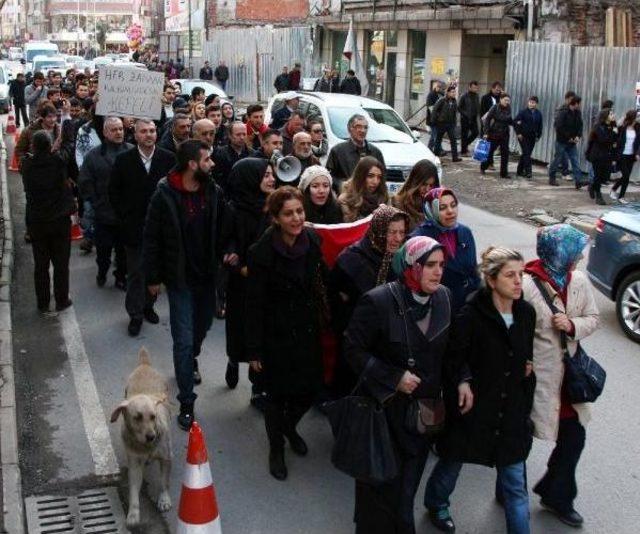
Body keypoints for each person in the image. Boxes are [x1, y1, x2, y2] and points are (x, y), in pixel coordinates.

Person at [343, 236, 453, 534]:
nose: (438, 272)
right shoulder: (377, 301)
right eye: (430, 265)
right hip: (382, 419)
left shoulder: (444, 298)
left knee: (405, 498)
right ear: (410, 266)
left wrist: (465, 380)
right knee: (376, 500)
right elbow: (352, 350)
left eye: (441, 265)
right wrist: (393, 377)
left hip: (421, 421)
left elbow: (452, 352)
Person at [424, 246, 536, 534]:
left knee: (515, 484)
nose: (517, 282)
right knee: (453, 462)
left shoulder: (525, 313)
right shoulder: (471, 315)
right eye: (510, 275)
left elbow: (525, 354)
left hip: (510, 411)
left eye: (520, 275)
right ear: (491, 279)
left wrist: (527, 368)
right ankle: (436, 503)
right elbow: (453, 359)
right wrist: (462, 381)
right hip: (475, 409)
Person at [143, 140, 231, 431]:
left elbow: (225, 228)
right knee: (182, 340)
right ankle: (186, 401)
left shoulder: (214, 192)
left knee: (202, 328)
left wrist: (229, 249)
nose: (213, 164)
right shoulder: (164, 194)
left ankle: (191, 356)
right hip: (180, 280)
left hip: (207, 278)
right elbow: (152, 238)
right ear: (192, 164)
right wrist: (153, 278)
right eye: (207, 160)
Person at [245, 187, 328, 480]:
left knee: (310, 390)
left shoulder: (313, 241)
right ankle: (276, 448)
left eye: (300, 212)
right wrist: (253, 350)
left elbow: (323, 280)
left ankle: (288, 426)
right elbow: (253, 304)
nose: (296, 218)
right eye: (289, 213)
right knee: (276, 396)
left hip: (305, 330)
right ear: (277, 218)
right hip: (275, 336)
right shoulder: (262, 254)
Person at [522, 224, 599, 528]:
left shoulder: (578, 281)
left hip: (569, 380)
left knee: (574, 437)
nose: (580, 255)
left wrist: (572, 325)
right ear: (559, 251)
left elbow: (592, 318)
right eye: (575, 249)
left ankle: (557, 495)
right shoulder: (526, 286)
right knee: (521, 439)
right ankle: (510, 489)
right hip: (535, 380)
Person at [329, 205, 408, 394]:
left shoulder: (402, 260)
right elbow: (334, 302)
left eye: (402, 232)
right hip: (355, 344)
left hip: (387, 345)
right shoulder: (351, 260)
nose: (398, 238)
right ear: (378, 230)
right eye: (391, 232)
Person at [109, 118, 176, 336]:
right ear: (135, 135)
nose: (149, 135)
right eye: (144, 131)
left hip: (160, 229)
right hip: (134, 227)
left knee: (154, 271)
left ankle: (149, 305)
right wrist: (124, 216)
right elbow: (114, 192)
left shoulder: (168, 158)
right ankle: (135, 314)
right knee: (136, 273)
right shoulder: (123, 160)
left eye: (152, 131)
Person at [223, 159, 275, 410]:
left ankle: (258, 388)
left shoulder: (274, 207)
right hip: (241, 284)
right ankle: (233, 359)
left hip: (266, 283)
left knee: (263, 334)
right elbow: (227, 242)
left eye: (271, 174)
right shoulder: (233, 210)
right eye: (265, 175)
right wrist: (239, 266)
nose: (271, 179)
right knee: (239, 331)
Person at [21, 131, 75, 313]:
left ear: (34, 146)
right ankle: (61, 299)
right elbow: (68, 150)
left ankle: (42, 302)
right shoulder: (57, 161)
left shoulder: (27, 165)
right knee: (61, 264)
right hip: (59, 220)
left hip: (37, 221)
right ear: (50, 144)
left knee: (41, 264)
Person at [78, 116, 132, 290]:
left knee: (123, 251)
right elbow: (85, 182)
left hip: (126, 214)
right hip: (104, 215)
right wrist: (96, 203)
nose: (118, 132)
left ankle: (121, 277)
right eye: (114, 129)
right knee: (104, 251)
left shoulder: (132, 152)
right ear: (105, 132)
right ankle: (102, 271)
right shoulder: (93, 156)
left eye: (120, 129)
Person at [411, 187, 480, 313]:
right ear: (430, 210)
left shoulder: (465, 232)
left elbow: (474, 271)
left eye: (453, 206)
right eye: (442, 208)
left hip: (465, 306)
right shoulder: (419, 239)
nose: (450, 211)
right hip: (434, 308)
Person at [326, 114, 385, 190]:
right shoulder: (337, 151)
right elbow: (328, 177)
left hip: (370, 197)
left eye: (365, 127)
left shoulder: (375, 152)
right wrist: (342, 184)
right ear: (350, 129)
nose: (362, 130)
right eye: (358, 127)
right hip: (347, 196)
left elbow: (383, 176)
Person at [391, 159, 440, 231]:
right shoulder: (398, 205)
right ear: (415, 182)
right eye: (424, 184)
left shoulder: (436, 204)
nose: (427, 189)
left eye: (431, 185)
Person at [338, 156, 389, 222]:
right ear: (360, 176)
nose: (375, 181)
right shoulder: (346, 200)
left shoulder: (384, 198)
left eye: (379, 177)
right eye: (370, 176)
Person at [548, 96, 584, 187]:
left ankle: (578, 181)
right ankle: (552, 178)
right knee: (557, 159)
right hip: (562, 141)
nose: (580, 105)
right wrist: (569, 137)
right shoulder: (563, 112)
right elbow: (559, 126)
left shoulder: (577, 113)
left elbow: (580, 125)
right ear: (575, 103)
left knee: (575, 160)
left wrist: (578, 136)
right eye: (579, 103)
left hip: (572, 142)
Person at [585, 109, 618, 205]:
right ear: (605, 116)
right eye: (611, 114)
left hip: (607, 156)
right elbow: (603, 140)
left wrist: (614, 134)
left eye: (613, 113)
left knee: (605, 177)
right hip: (597, 155)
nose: (613, 115)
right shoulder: (598, 127)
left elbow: (615, 142)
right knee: (598, 176)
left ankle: (592, 186)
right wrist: (614, 133)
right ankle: (598, 196)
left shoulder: (612, 126)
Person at [15, 102, 61, 166]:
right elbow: (19, 151)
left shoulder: (59, 130)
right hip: (35, 169)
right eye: (49, 117)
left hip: (54, 169)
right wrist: (24, 166)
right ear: (42, 117)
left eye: (54, 116)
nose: (53, 120)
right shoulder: (28, 131)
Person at [212, 121, 250, 195]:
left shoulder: (252, 154)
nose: (242, 137)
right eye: (238, 134)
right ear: (230, 135)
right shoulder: (219, 153)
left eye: (244, 134)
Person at [481, 93, 513, 179]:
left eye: (508, 100)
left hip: (505, 134)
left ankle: (504, 173)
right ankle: (483, 167)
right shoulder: (495, 107)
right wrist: (486, 132)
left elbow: (509, 119)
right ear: (501, 100)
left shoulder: (508, 108)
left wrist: (516, 123)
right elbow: (487, 120)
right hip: (494, 133)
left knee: (505, 154)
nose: (507, 102)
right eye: (505, 100)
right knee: (490, 152)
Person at [611, 109, 640, 204]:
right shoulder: (622, 128)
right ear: (632, 118)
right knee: (626, 176)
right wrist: (614, 157)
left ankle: (619, 194)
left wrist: (637, 154)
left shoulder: (637, 128)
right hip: (622, 155)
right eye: (636, 117)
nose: (637, 118)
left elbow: (638, 142)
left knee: (626, 176)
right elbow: (615, 139)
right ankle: (618, 193)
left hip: (631, 156)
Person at [514, 96, 543, 179]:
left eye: (533, 102)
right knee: (526, 153)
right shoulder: (523, 112)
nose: (531, 104)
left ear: (536, 104)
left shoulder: (538, 113)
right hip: (523, 136)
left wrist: (539, 135)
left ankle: (519, 171)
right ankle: (528, 172)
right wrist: (518, 133)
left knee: (526, 154)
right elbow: (515, 122)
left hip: (532, 137)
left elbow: (540, 125)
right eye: (530, 102)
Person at [431, 85, 461, 162]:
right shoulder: (442, 100)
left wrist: (454, 123)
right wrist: (434, 121)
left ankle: (455, 157)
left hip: (450, 124)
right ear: (448, 93)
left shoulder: (454, 101)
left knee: (453, 140)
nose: (454, 93)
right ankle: (435, 156)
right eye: (452, 92)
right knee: (438, 140)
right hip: (441, 123)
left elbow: (455, 113)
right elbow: (434, 110)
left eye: (455, 92)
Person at [457, 81, 480, 156]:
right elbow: (459, 107)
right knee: (464, 134)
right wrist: (465, 114)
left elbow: (477, 106)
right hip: (465, 118)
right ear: (469, 87)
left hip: (473, 118)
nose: (475, 89)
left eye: (476, 88)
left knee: (475, 132)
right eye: (473, 87)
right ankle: (463, 151)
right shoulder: (464, 95)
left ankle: (465, 144)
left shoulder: (476, 96)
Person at [426, 81, 444, 154]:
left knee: (435, 135)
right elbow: (430, 107)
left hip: (439, 119)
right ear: (435, 87)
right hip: (432, 119)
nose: (439, 88)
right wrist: (436, 115)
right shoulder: (431, 95)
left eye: (440, 87)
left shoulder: (441, 94)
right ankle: (437, 149)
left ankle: (431, 148)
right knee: (435, 135)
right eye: (438, 87)